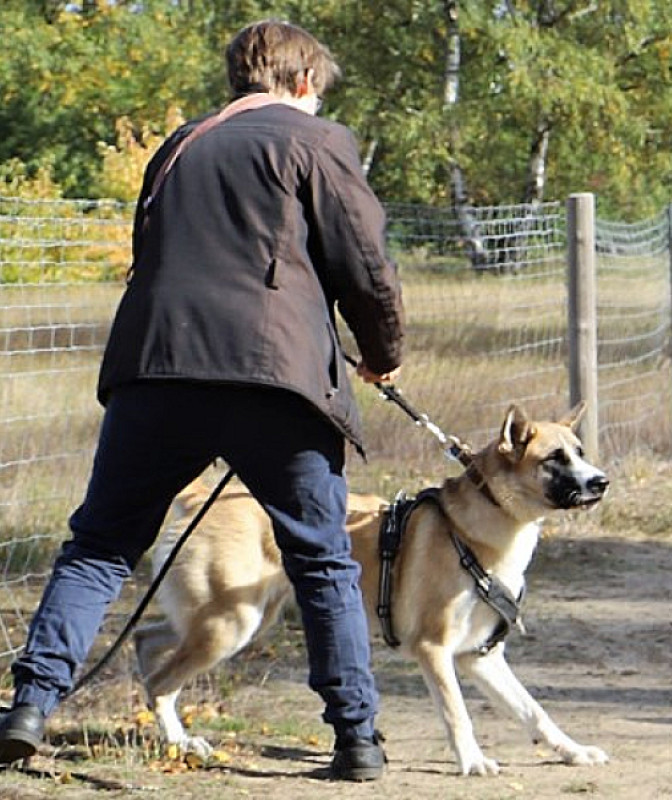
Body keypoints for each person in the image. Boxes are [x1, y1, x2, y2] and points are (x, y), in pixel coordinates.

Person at [0, 19, 404, 782]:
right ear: (304, 83)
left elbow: (148, 252)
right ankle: (357, 738)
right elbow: (366, 263)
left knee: (98, 548)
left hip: (156, 370)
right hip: (273, 379)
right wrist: (382, 354)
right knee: (320, 558)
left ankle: (29, 706)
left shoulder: (178, 146)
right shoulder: (317, 141)